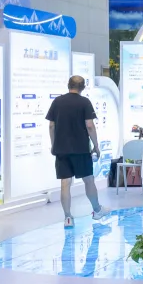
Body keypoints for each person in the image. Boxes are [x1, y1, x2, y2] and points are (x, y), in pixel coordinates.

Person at [46, 75, 104, 229]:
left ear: (68, 85)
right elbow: (89, 125)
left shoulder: (57, 102)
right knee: (88, 180)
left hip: (61, 150)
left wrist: (54, 145)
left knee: (65, 183)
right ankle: (97, 210)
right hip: (81, 149)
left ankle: (67, 217)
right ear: (83, 87)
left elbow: (51, 126)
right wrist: (96, 145)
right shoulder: (85, 102)